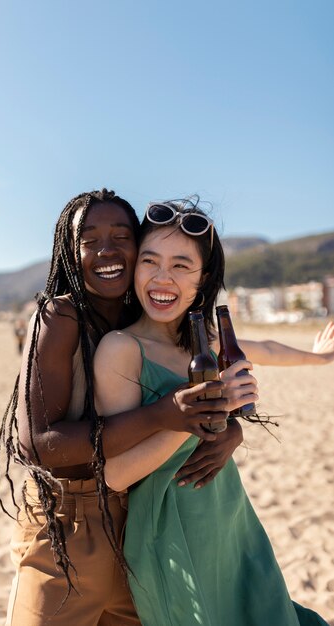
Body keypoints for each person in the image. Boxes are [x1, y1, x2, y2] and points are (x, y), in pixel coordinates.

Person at [0, 189, 244, 626]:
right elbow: (38, 444)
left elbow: (203, 386)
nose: (106, 250)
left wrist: (230, 431)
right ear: (70, 251)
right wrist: (165, 415)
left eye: (120, 236)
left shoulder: (143, 318)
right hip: (64, 528)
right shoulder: (60, 316)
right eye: (89, 239)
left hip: (137, 527)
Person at [94, 197, 333, 626]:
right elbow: (114, 475)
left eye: (181, 265)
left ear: (202, 281)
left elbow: (265, 348)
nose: (162, 277)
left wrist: (320, 358)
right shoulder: (121, 349)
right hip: (172, 531)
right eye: (150, 261)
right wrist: (206, 412)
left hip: (230, 514)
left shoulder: (201, 339)